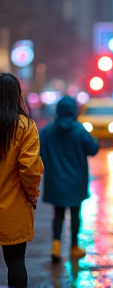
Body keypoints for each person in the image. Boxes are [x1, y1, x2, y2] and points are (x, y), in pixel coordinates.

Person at [40, 95, 99, 263]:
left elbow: (39, 151)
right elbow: (93, 149)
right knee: (75, 213)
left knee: (58, 214)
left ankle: (56, 246)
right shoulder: (80, 131)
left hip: (55, 180)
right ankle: (74, 247)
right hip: (76, 180)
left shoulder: (47, 131)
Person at [0, 73, 43, 287]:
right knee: (16, 261)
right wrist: (33, 195)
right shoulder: (25, 127)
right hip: (14, 208)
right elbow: (30, 169)